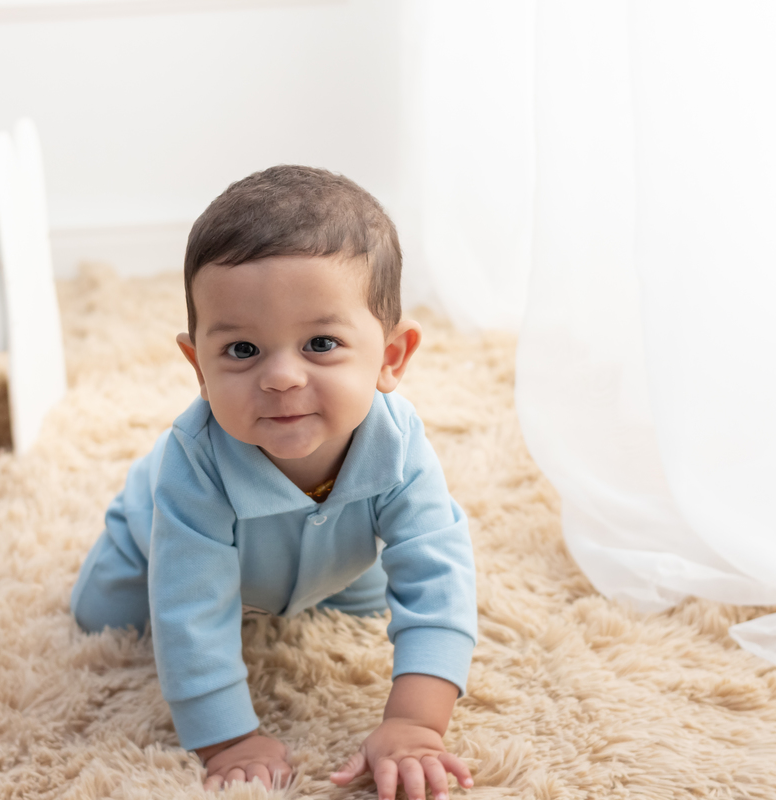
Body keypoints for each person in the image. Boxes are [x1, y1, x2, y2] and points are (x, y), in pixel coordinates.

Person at [70, 165, 478, 800]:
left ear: (391, 357)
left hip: (339, 550)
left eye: (320, 342)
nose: (281, 377)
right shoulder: (195, 461)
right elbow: (191, 613)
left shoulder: (399, 445)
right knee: (100, 617)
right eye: (241, 351)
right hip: (161, 537)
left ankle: (327, 585)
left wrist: (414, 724)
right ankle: (123, 541)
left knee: (372, 591)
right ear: (198, 365)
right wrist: (227, 741)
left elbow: (437, 576)